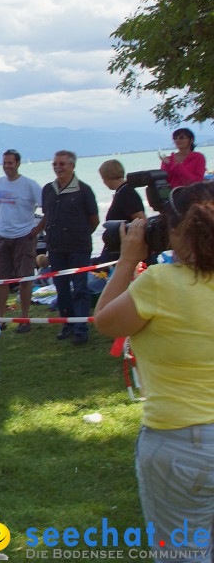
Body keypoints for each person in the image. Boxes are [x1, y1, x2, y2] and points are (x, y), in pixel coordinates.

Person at [93, 182, 214, 563]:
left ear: (181, 230)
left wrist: (128, 259)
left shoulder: (161, 283)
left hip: (180, 441)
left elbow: (106, 321)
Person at [42, 151, 99, 345]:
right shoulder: (48, 190)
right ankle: (67, 324)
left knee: (80, 288)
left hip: (79, 248)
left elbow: (94, 219)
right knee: (62, 289)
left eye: (62, 164)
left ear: (72, 166)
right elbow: (47, 216)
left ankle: (81, 328)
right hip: (56, 248)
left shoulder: (84, 190)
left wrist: (80, 235)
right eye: (55, 164)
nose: (58, 167)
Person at [0, 149, 42, 330]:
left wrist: (37, 230)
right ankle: (0, 319)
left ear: (18, 164)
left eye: (10, 163)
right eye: (5, 163)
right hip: (3, 237)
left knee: (25, 279)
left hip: (24, 237)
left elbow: (47, 208)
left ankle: (24, 318)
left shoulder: (29, 185)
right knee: (1, 280)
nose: (7, 166)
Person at [96, 159, 146, 263]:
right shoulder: (122, 192)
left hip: (125, 249)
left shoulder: (125, 193)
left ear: (107, 177)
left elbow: (141, 220)